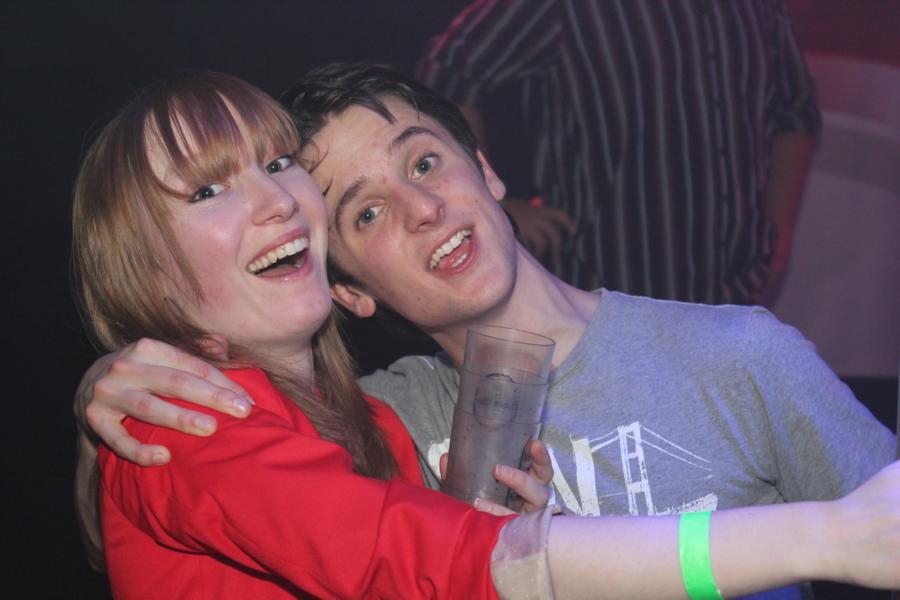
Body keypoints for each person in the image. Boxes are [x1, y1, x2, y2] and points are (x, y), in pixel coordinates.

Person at [73, 66, 898, 598]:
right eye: (366, 213)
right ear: (347, 288)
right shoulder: (388, 420)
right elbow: (427, 554)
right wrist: (103, 396)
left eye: (425, 163)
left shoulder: (739, 355)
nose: (422, 208)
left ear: (488, 168)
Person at [416, 0, 821, 305]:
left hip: (732, 294)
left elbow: (795, 111)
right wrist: (490, 202)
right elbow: (450, 69)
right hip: (611, 292)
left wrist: (778, 231)